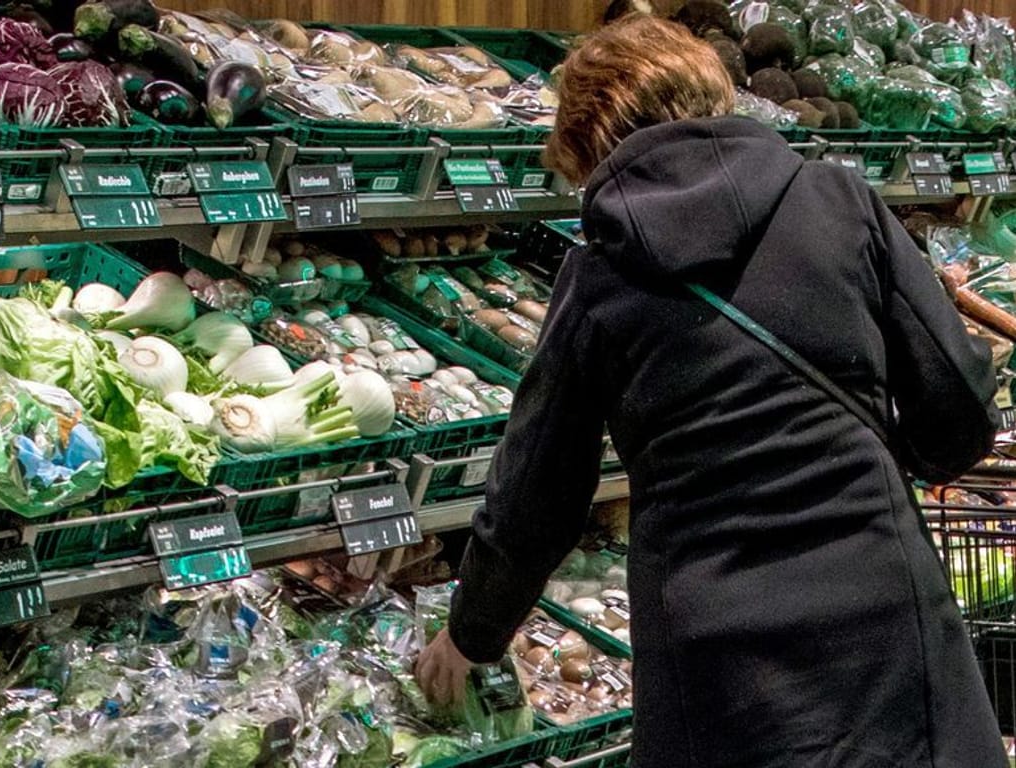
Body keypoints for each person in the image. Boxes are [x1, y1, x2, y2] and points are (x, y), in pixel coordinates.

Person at [414, 15, 1006, 768]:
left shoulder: (598, 281)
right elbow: (958, 405)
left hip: (716, 657)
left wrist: (472, 633)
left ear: (591, 145)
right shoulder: (841, 204)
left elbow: (538, 490)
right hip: (883, 614)